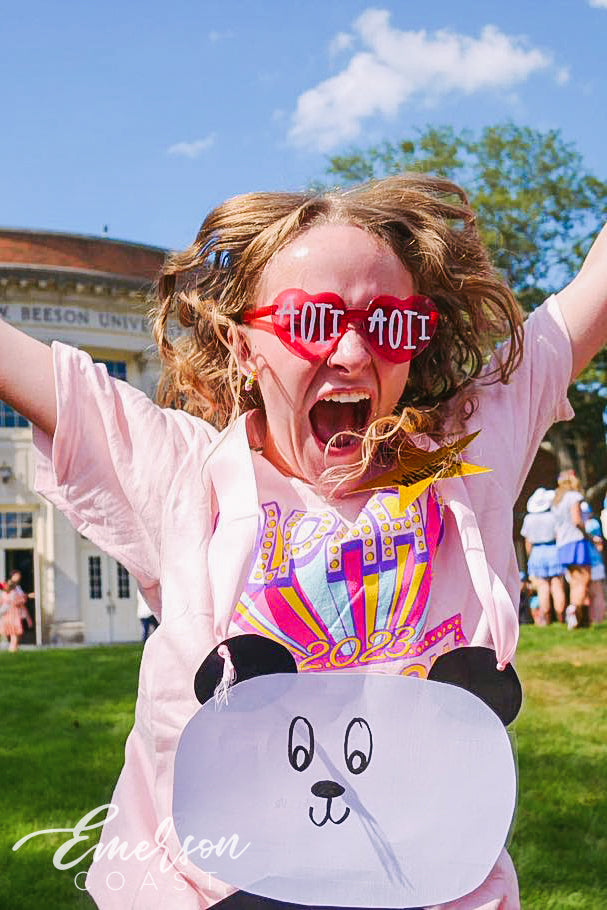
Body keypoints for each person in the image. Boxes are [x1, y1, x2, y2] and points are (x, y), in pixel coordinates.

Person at [1, 175, 606, 909]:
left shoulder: (466, 452)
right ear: (243, 345)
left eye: (389, 325)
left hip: (428, 888)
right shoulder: (181, 474)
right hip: (221, 889)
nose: (351, 350)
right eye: (311, 320)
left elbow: (592, 294)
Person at [552, 470, 593, 629]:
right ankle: (574, 609)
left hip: (562, 544)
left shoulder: (556, 500)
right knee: (584, 578)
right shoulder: (573, 496)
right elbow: (577, 520)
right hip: (576, 540)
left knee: (575, 580)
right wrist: (588, 535)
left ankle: (575, 619)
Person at [520, 487, 565, 625]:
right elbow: (559, 535)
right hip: (553, 550)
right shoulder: (553, 516)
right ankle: (560, 617)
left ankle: (545, 618)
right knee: (557, 584)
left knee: (542, 586)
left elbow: (527, 542)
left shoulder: (528, 519)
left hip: (537, 552)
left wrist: (530, 557)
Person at [581, 501, 606, 624]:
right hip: (594, 563)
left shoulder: (580, 526)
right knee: (597, 593)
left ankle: (595, 620)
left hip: (585, 563)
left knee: (591, 593)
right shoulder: (593, 524)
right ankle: (597, 620)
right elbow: (599, 547)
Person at [0, 571, 33, 652]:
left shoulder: (5, 594)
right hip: (13, 616)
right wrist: (27, 596)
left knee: (13, 634)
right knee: (14, 634)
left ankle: (13, 649)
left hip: (8, 616)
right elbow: (18, 600)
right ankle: (12, 650)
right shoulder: (12, 594)